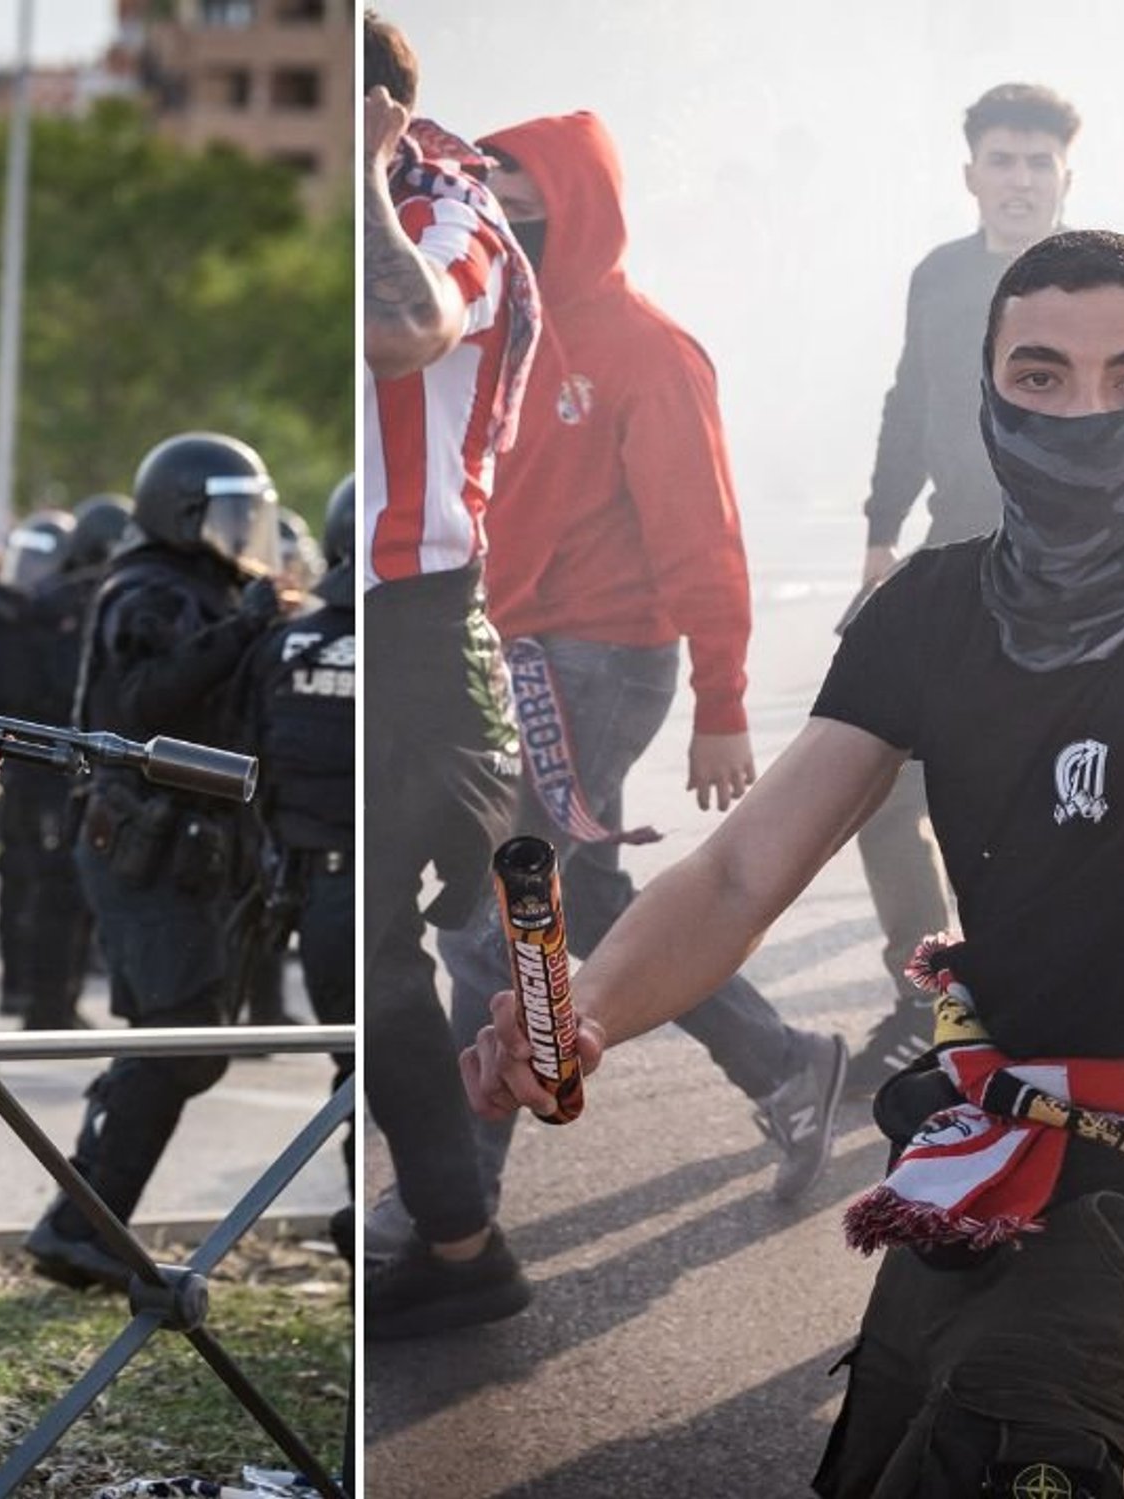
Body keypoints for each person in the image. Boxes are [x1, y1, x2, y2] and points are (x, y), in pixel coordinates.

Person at [466, 229, 1124, 1497]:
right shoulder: (929, 609)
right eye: (1040, 375)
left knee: (986, 1450)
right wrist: (586, 1012)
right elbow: (739, 872)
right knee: (872, 1460)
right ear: (984, 387)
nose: (1082, 412)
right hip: (984, 1147)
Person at [393, 109, 842, 1235]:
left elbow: (706, 535)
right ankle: (784, 1064)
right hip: (501, 654)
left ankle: (452, 1209)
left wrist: (722, 702)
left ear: (585, 201)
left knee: (483, 927)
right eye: (493, 187)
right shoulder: (484, 322)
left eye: (531, 188)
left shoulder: (647, 348)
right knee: (577, 899)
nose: (507, 205)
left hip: (596, 662)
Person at [361, 9, 541, 1339]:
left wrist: (362, 177)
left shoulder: (448, 202)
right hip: (348, 622)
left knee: (499, 909)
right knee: (350, 938)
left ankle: (461, 1233)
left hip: (428, 625)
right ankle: (454, 1228)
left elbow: (410, 331)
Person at [847, 83, 1082, 1092]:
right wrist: (876, 535)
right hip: (952, 551)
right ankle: (925, 984)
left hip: (1075, 569)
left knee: (1045, 796)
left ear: (1064, 173)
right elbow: (907, 399)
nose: (1019, 179)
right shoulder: (940, 277)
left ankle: (1036, 1014)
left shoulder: (1100, 277)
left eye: (1037, 161)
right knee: (875, 780)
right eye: (1002, 160)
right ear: (970, 173)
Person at [23, 431, 282, 1289]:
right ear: (181, 511)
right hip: (143, 842)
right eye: (229, 512)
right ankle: (78, 1226)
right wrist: (239, 633)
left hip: (192, 850)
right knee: (183, 1034)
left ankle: (84, 1223)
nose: (246, 530)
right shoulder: (144, 589)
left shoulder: (217, 586)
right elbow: (142, 701)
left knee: (177, 1038)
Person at [239, 473, 356, 1240]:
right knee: (373, 1066)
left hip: (316, 882)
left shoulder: (284, 643)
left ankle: (367, 1220)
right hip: (383, 880)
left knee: (352, 1062)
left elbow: (255, 761)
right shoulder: (407, 645)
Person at [0, 500, 124, 1029]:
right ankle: (44, 1002)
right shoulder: (68, 604)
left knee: (49, 884)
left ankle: (45, 998)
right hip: (53, 760)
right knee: (53, 887)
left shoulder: (64, 600)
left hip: (52, 758)